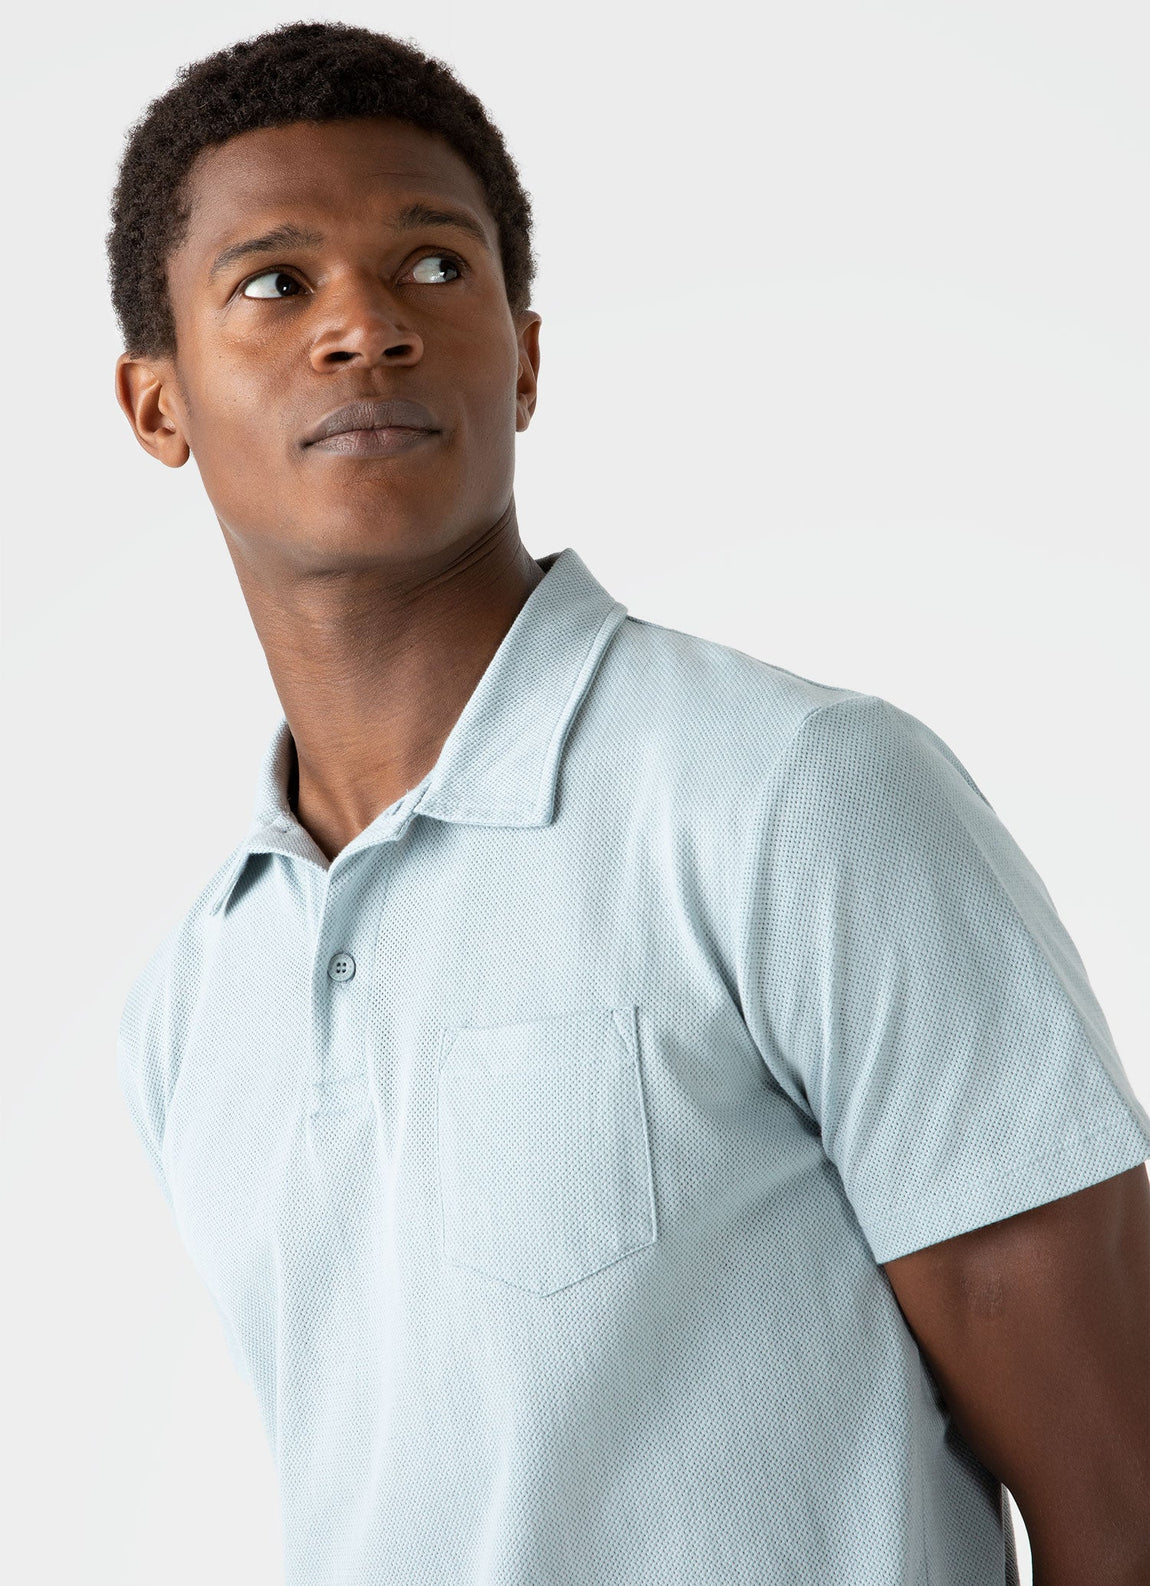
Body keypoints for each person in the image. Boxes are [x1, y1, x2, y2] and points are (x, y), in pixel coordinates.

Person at [109, 20, 1150, 1586]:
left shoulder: (791, 798)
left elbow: (1120, 1497)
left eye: (434, 268)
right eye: (275, 282)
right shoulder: (194, 994)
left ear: (524, 358)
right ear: (156, 404)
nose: (366, 328)